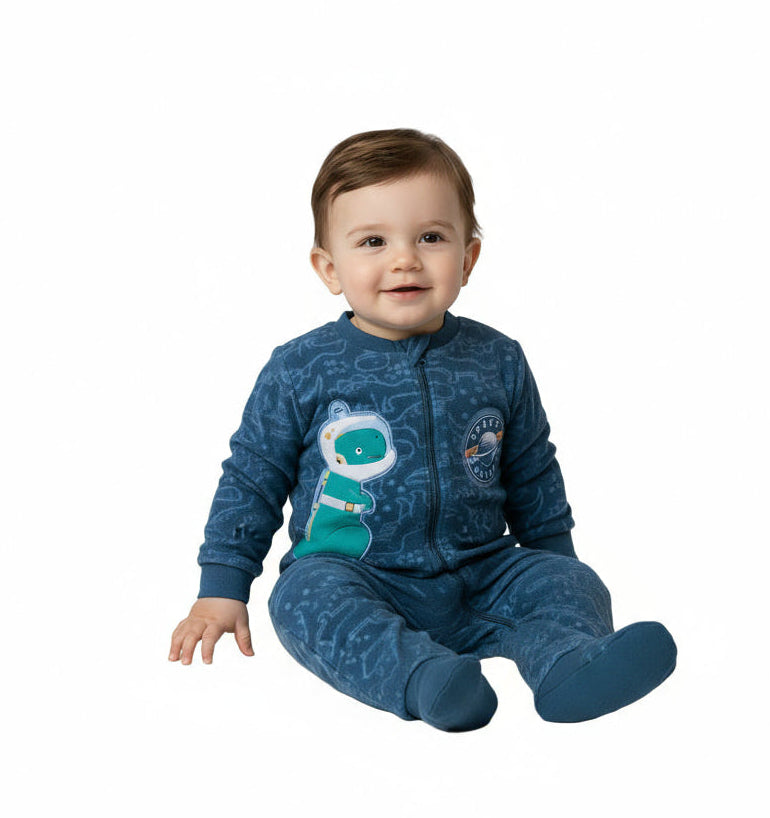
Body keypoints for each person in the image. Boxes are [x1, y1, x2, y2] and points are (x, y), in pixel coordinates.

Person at [169, 128, 677, 731]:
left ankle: (565, 661)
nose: (405, 259)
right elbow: (252, 478)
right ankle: (427, 680)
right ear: (329, 268)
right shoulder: (301, 367)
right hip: (358, 574)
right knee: (302, 600)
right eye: (373, 241)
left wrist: (554, 567)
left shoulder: (498, 358)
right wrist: (222, 585)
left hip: (483, 570)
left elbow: (533, 470)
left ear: (468, 258)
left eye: (431, 237)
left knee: (569, 580)